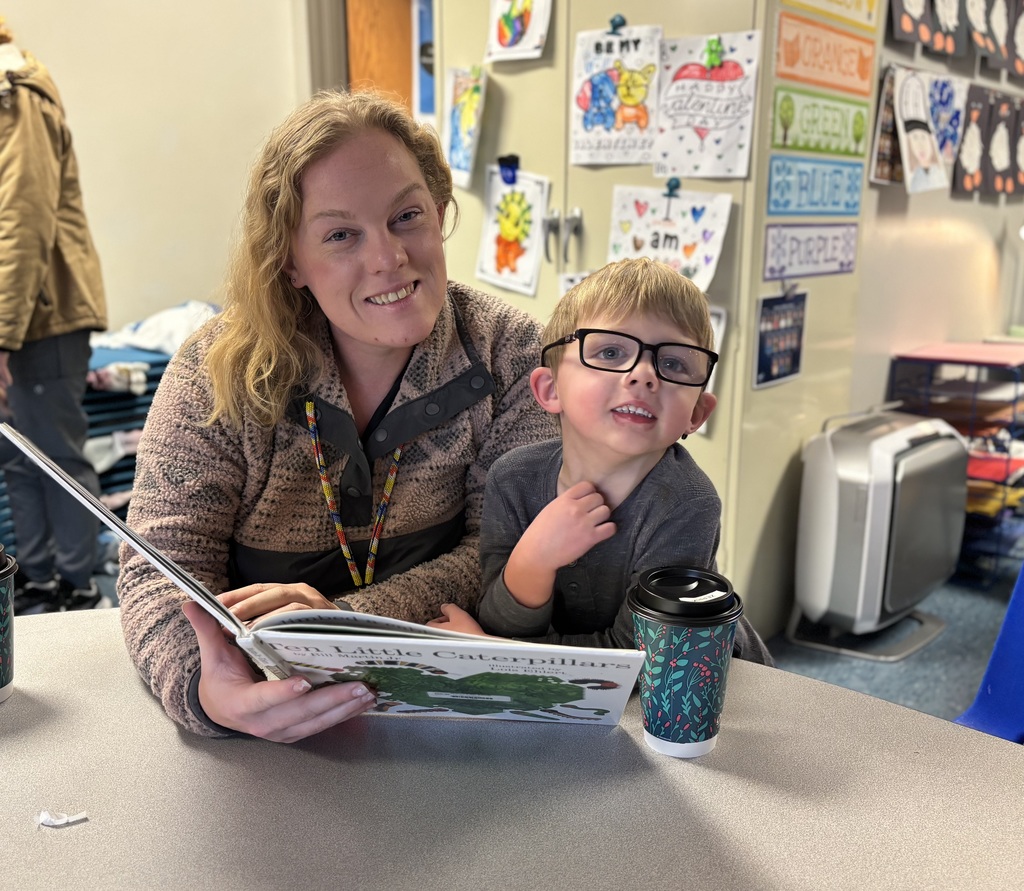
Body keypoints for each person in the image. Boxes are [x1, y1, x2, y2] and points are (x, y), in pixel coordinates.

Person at [117, 89, 557, 742]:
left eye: (406, 215)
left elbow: (504, 554)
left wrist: (344, 620)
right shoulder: (218, 373)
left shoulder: (512, 353)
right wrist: (207, 690)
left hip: (446, 725)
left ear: (439, 212)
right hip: (270, 741)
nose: (388, 257)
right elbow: (161, 567)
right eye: (341, 234)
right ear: (290, 259)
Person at [428, 258, 774, 665]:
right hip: (569, 695)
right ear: (550, 389)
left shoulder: (688, 503)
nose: (644, 374)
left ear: (696, 413)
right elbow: (503, 621)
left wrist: (491, 651)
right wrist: (533, 560)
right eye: (610, 351)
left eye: (674, 363)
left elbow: (639, 662)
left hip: (699, 693)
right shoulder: (513, 478)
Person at [0, 21, 108, 613]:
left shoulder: (15, 93)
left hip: (39, 319)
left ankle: (80, 589)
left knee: (55, 460)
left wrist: (1, 332)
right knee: (17, 458)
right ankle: (37, 585)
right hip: (16, 318)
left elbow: (21, 223)